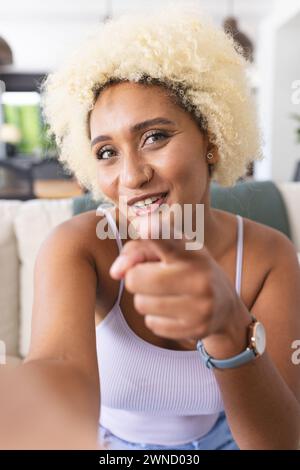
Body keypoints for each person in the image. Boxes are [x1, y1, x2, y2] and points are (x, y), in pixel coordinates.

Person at [9, 3, 300, 450]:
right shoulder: (78, 246)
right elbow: (58, 370)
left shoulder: (269, 256)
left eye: (155, 137)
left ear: (212, 140)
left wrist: (228, 326)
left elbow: (283, 439)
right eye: (107, 152)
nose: (131, 176)